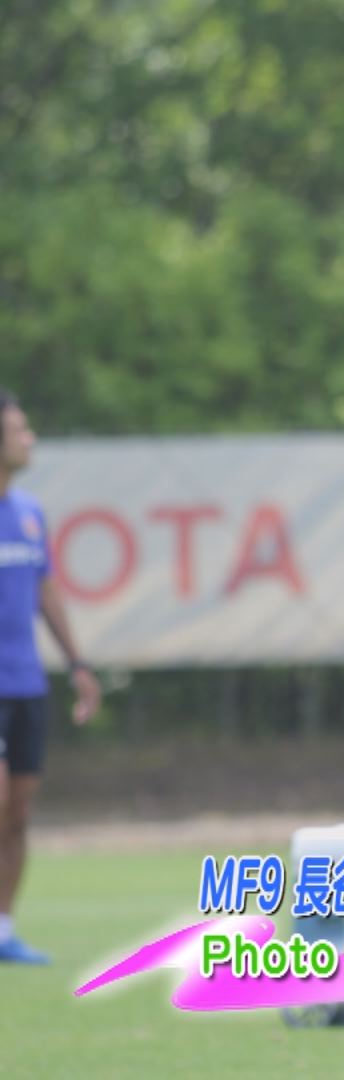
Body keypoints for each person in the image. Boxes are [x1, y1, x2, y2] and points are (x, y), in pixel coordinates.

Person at [0, 390, 101, 964]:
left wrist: (77, 663)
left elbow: (46, 589)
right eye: (20, 430)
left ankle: (3, 930)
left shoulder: (29, 512)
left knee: (17, 816)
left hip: (26, 686)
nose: (29, 438)